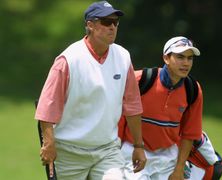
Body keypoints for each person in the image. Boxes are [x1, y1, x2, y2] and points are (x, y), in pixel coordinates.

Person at [34, 1, 146, 179]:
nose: (112, 27)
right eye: (106, 22)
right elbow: (47, 107)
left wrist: (138, 146)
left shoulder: (123, 57)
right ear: (90, 25)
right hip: (69, 152)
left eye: (115, 22)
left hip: (107, 150)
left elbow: (132, 105)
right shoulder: (68, 59)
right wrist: (49, 144)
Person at [119, 36, 203, 180]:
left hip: (167, 158)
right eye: (180, 57)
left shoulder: (193, 89)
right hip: (133, 152)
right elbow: (118, 118)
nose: (186, 63)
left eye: (190, 58)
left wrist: (179, 169)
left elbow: (190, 133)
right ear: (166, 58)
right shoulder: (141, 80)